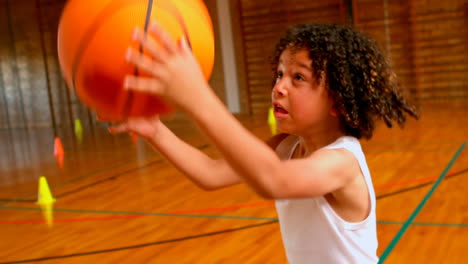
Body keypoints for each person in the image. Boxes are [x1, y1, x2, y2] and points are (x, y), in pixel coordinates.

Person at [109, 22, 418, 263]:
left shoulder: (342, 162)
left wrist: (197, 97)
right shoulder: (285, 146)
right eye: (280, 73)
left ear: (337, 101)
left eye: (298, 78)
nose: (279, 87)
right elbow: (210, 173)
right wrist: (155, 131)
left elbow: (275, 180)